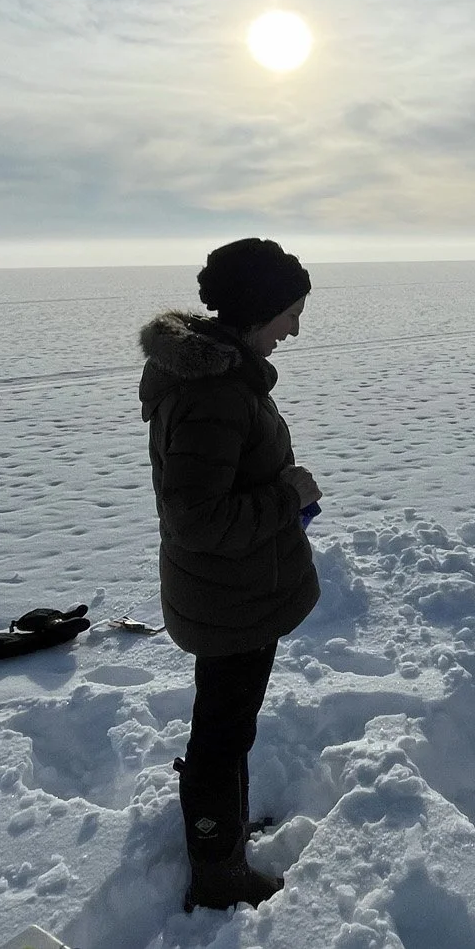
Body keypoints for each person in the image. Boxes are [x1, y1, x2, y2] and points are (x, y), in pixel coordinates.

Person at [138, 237, 323, 911]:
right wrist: (288, 497)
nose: (295, 330)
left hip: (232, 591)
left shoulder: (222, 376)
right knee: (221, 733)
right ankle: (217, 867)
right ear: (258, 310)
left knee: (226, 723)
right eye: (290, 314)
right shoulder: (215, 392)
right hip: (230, 600)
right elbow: (197, 517)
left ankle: (225, 827)